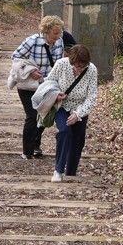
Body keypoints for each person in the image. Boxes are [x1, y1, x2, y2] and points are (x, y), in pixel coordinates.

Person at [8, 16, 72, 159]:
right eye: (55, 33)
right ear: (46, 31)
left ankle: (36, 145)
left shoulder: (60, 42)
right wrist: (31, 71)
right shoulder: (33, 41)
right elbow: (16, 57)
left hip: (47, 85)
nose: (58, 36)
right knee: (31, 115)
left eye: (59, 32)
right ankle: (27, 151)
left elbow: (59, 63)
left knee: (43, 115)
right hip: (28, 85)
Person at [45, 44, 98, 183]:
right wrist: (56, 95)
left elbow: (91, 96)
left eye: (82, 66)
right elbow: (48, 82)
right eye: (76, 66)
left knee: (77, 141)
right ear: (71, 61)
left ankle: (71, 173)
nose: (79, 69)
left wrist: (78, 114)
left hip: (80, 108)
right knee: (64, 132)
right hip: (61, 105)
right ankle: (58, 170)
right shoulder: (61, 64)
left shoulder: (91, 70)